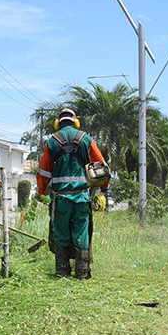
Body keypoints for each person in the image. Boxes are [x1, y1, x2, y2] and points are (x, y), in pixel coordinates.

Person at [37, 108, 108, 279]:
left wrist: (41, 192)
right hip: (82, 196)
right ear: (75, 122)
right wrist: (105, 188)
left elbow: (44, 172)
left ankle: (62, 270)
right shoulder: (86, 139)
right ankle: (82, 272)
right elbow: (101, 166)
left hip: (60, 198)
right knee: (81, 231)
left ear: (58, 123)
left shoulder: (52, 142)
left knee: (60, 232)